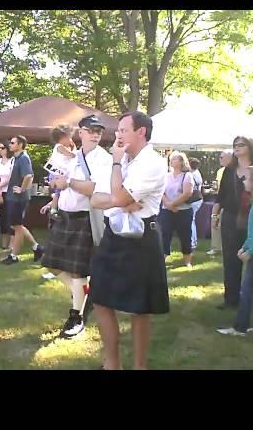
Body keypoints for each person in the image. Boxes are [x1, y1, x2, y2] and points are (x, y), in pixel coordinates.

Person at [89, 111, 168, 370]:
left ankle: (139, 367)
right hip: (114, 234)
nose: (117, 135)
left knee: (139, 307)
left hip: (141, 237)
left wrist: (115, 170)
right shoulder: (125, 161)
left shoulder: (152, 162)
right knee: (100, 297)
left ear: (141, 132)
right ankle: (112, 364)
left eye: (123, 130)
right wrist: (119, 198)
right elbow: (97, 199)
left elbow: (118, 198)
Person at [39, 115, 113, 339]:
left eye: (98, 130)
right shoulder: (71, 157)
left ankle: (76, 316)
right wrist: (55, 184)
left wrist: (69, 183)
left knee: (78, 272)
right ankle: (83, 296)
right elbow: (56, 181)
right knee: (51, 263)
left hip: (85, 218)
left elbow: (94, 189)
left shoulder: (104, 159)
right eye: (91, 130)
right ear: (80, 132)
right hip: (64, 216)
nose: (96, 134)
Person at [217, 166, 253, 336]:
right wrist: (245, 246)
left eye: (248, 179)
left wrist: (250, 251)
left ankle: (240, 327)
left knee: (248, 288)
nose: (244, 181)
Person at [212, 136, 253, 310]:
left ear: (250, 147)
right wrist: (215, 215)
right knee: (230, 259)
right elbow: (221, 195)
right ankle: (231, 298)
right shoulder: (229, 170)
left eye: (241, 145)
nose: (237, 148)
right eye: (234, 145)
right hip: (231, 217)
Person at [0, 135, 45, 265]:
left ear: (20, 145)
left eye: (13, 143)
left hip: (18, 199)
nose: (10, 145)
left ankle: (14, 256)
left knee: (17, 226)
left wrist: (22, 189)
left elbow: (29, 176)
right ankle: (37, 247)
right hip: (12, 197)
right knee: (17, 225)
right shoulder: (16, 158)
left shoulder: (24, 158)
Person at [160, 151, 195, 269]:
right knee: (164, 234)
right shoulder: (166, 176)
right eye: (171, 159)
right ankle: (162, 259)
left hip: (183, 211)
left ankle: (187, 261)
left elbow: (187, 193)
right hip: (166, 211)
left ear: (181, 161)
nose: (172, 160)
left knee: (185, 235)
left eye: (174, 159)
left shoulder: (187, 175)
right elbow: (161, 192)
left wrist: (173, 205)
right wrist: (168, 205)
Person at [47, 125, 77, 220]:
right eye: (69, 137)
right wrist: (76, 150)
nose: (71, 140)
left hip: (60, 173)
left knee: (58, 193)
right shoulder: (59, 147)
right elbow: (72, 155)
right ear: (62, 138)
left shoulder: (63, 147)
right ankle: (53, 209)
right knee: (58, 192)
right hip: (56, 173)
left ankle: (54, 209)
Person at [207, 150, 233, 256]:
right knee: (215, 223)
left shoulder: (233, 171)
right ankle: (216, 247)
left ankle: (227, 247)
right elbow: (219, 187)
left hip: (228, 203)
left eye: (222, 157)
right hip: (219, 199)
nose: (220, 159)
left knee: (224, 225)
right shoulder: (221, 171)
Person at [0, 141, 14, 250]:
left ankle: (10, 242)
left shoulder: (12, 161)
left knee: (8, 216)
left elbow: (10, 177)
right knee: (0, 216)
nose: (1, 150)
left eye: (3, 148)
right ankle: (1, 242)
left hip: (7, 192)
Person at [188, 157, 204, 250]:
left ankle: (192, 242)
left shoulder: (192, 174)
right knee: (191, 220)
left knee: (191, 220)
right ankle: (193, 241)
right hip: (197, 198)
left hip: (193, 199)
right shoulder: (197, 173)